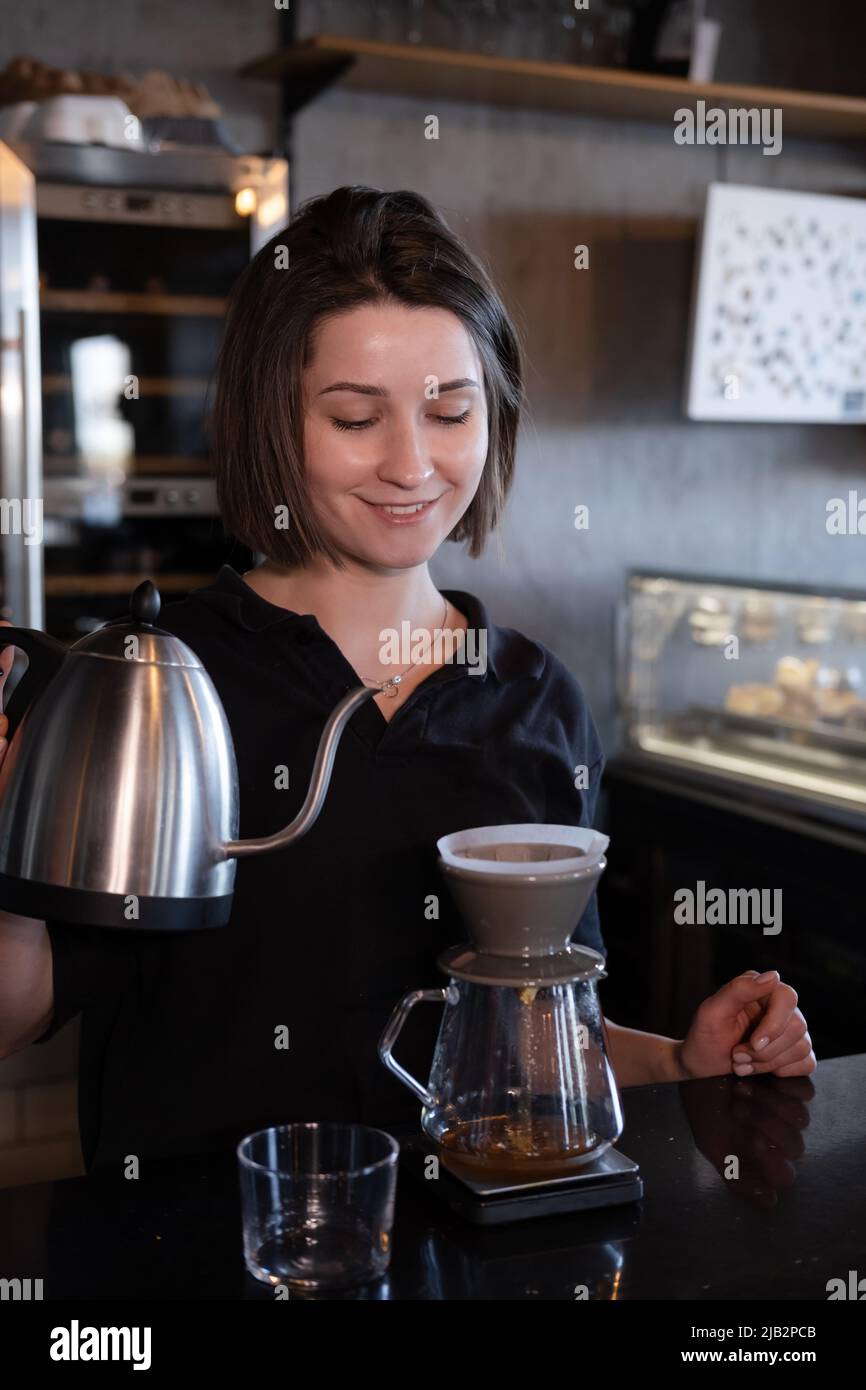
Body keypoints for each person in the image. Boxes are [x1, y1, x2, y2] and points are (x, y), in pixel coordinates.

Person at [0, 186, 815, 1175]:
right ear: (274, 419)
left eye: (448, 411)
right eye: (354, 417)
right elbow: (18, 1013)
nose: (410, 464)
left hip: (465, 1261)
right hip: (201, 1254)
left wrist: (688, 1062)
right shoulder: (163, 682)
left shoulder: (535, 700)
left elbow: (540, 1044)